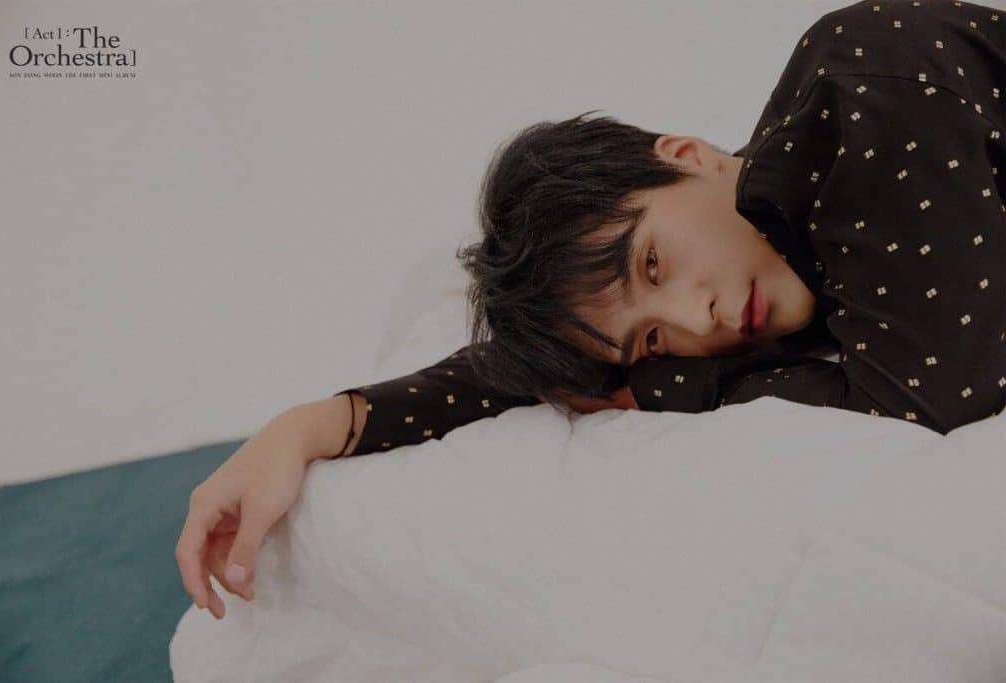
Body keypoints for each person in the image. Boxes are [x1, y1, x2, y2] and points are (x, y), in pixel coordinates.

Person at [176, 0, 1006, 619]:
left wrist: (673, 386)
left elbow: (933, 392)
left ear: (687, 154)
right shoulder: (763, 246)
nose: (699, 321)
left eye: (654, 262)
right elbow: (529, 369)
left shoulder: (861, 83)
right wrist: (309, 426)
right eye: (653, 340)